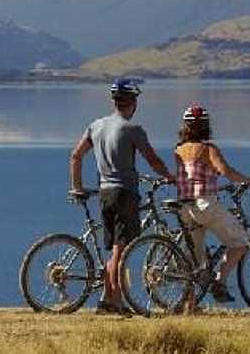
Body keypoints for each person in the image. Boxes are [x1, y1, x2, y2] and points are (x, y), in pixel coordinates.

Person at [69, 78, 173, 315]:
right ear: (134, 102)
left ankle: (107, 300)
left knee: (115, 249)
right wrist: (169, 176)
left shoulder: (95, 126)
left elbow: (75, 156)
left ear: (114, 101)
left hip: (105, 193)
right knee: (121, 250)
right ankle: (117, 302)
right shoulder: (133, 129)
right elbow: (153, 159)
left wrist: (78, 187)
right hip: (125, 193)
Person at [174, 104, 250, 304]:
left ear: (185, 127)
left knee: (193, 260)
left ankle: (189, 304)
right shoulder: (208, 149)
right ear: (206, 126)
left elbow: (190, 179)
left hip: (185, 207)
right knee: (241, 242)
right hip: (206, 206)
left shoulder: (179, 149)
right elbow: (225, 171)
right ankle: (220, 281)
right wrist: (248, 180)